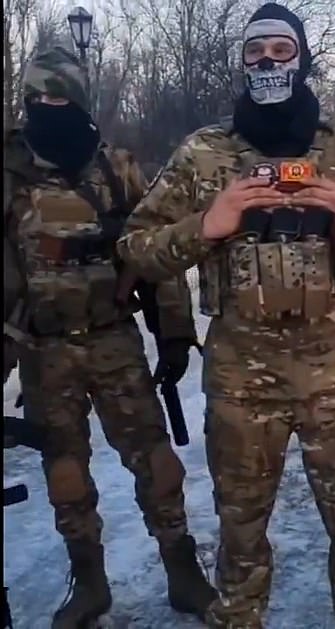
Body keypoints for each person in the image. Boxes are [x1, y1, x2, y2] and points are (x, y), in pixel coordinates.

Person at [117, 4, 335, 627]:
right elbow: (136, 251)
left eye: (281, 50)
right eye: (254, 51)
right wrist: (205, 226)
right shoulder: (203, 154)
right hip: (241, 379)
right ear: (240, 62)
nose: (267, 62)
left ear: (303, 57)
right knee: (239, 538)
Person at [3, 47, 217, 627]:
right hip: (44, 350)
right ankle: (89, 583)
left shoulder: (117, 168)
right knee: (66, 472)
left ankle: (183, 570)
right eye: (41, 98)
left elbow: (156, 250)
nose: (52, 107)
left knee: (155, 460)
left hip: (114, 340)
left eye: (62, 97)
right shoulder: (12, 173)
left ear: (80, 100)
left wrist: (173, 333)